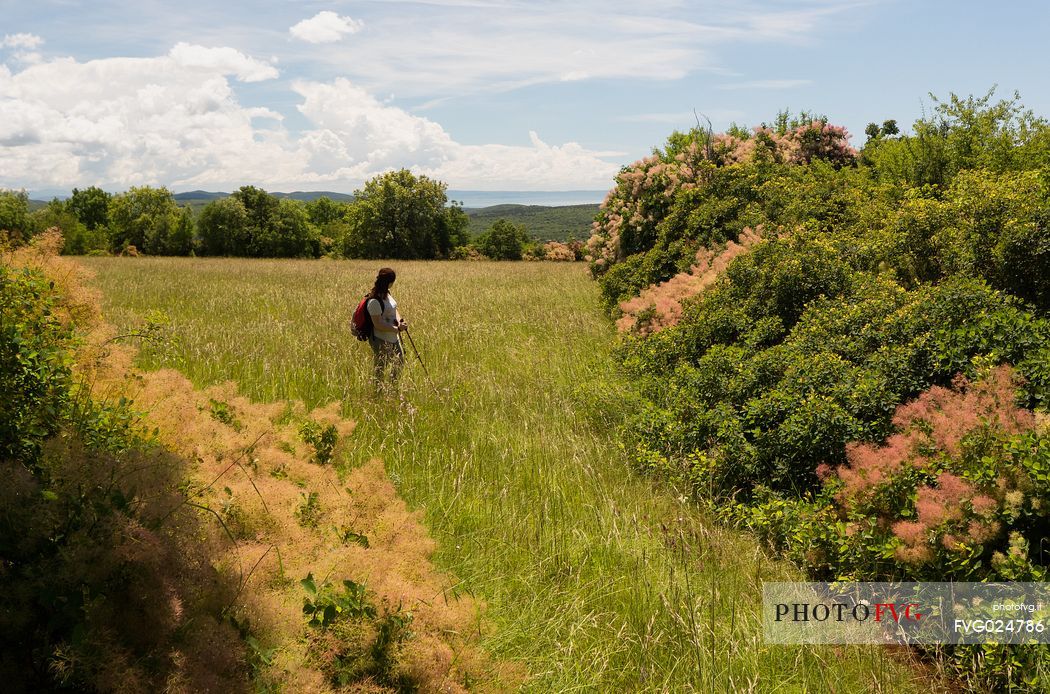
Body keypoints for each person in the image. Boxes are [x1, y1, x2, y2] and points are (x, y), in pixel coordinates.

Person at [366, 267, 407, 389]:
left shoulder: (387, 293)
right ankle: (378, 392)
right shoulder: (374, 301)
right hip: (380, 339)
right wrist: (397, 329)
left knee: (399, 363)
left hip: (394, 337)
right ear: (389, 283)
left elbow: (394, 308)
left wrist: (400, 321)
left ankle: (393, 389)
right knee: (381, 368)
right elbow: (378, 324)